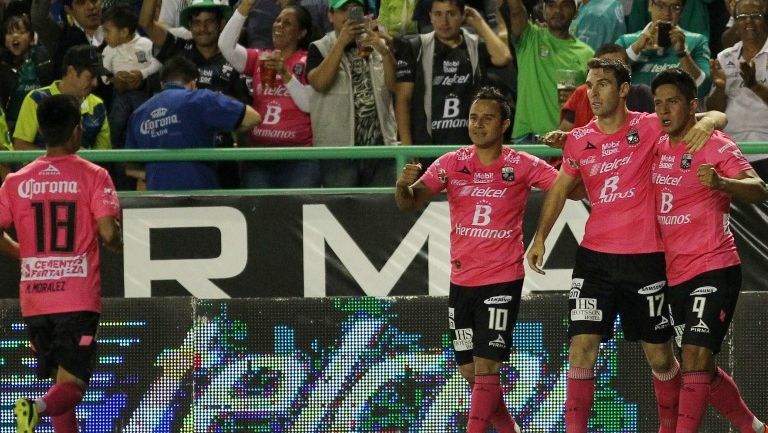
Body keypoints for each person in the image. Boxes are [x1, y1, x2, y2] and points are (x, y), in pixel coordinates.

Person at [526, 58, 726, 433]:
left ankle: (669, 427)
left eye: (602, 84)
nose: (593, 92)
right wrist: (540, 239)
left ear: (621, 90)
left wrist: (712, 121)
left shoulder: (650, 125)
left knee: (661, 357)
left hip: (646, 260)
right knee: (581, 348)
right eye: (589, 84)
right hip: (594, 261)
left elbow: (712, 114)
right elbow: (559, 188)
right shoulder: (580, 139)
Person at [395, 86, 582, 433]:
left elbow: (570, 189)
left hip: (502, 278)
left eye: (488, 118)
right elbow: (409, 202)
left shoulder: (522, 164)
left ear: (505, 124)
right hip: (461, 280)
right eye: (473, 118)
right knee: (471, 372)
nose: (478, 125)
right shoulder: (451, 163)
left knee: (486, 367)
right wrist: (402, 186)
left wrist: (572, 152)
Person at [650, 67, 768, 433]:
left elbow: (759, 186)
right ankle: (752, 427)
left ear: (692, 106)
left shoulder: (713, 143)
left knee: (696, 356)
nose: (665, 110)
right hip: (671, 274)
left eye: (673, 102)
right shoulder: (654, 142)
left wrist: (721, 181)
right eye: (658, 104)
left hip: (713, 267)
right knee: (694, 364)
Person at [3, 94, 122, 433]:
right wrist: (117, 243)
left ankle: (44, 408)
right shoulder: (94, 175)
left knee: (60, 379)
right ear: (75, 131)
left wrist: (22, 253)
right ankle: (35, 407)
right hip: (76, 297)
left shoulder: (16, 181)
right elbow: (107, 231)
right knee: (74, 384)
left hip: (35, 298)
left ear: (42, 131)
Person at [219, 0, 320, 188]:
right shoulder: (260, 58)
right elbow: (225, 45)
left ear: (301, 33)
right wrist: (244, 9)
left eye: (287, 23)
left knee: (296, 214)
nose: (279, 25)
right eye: (277, 20)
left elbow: (308, 105)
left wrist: (285, 74)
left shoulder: (308, 60)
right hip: (260, 154)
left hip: (299, 157)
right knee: (260, 213)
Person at [125, 57, 262, 190]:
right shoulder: (201, 99)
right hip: (200, 193)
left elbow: (131, 169)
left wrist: (162, 173)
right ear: (193, 83)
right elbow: (254, 117)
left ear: (162, 84)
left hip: (159, 197)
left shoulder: (138, 113)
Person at [394, 0, 511, 148]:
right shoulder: (415, 47)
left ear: (463, 15)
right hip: (428, 148)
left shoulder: (475, 45)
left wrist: (479, 22)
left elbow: (503, 57)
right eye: (438, 14)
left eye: (451, 13)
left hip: (469, 147)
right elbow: (403, 99)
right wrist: (407, 147)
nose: (444, 21)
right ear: (430, 16)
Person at [307, 0, 398, 187]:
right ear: (330, 15)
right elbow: (320, 83)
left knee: (383, 211)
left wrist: (385, 51)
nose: (349, 15)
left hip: (381, 148)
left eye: (355, 10)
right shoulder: (319, 47)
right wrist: (341, 42)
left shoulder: (377, 44)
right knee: (343, 211)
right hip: (339, 151)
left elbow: (395, 86)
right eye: (343, 10)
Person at [506, 0, 594, 142]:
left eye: (565, 5)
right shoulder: (530, 37)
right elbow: (516, 10)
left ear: (576, 12)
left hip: (565, 141)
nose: (557, 10)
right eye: (551, 5)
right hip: (528, 139)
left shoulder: (587, 54)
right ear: (544, 10)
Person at [707, 0, 768, 178]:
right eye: (742, 17)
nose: (748, 21)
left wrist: (755, 86)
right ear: (735, 22)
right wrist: (720, 88)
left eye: (756, 16)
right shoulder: (724, 57)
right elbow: (714, 110)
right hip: (730, 152)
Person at [13, 44, 111, 151]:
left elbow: (104, 153)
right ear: (71, 71)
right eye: (90, 77)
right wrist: (64, 158)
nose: (95, 83)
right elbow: (20, 146)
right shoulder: (37, 99)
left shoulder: (98, 106)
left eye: (97, 77)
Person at [615, 0, 712, 99]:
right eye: (661, 5)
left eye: (675, 7)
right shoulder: (626, 41)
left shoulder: (697, 41)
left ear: (682, 12)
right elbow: (607, 77)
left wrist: (682, 53)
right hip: (636, 110)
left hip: (676, 112)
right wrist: (636, 48)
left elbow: (703, 89)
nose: (667, 13)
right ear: (650, 5)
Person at [101, 5, 161, 149]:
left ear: (124, 32)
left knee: (145, 119)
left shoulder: (146, 44)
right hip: (120, 94)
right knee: (116, 120)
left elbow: (157, 63)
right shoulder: (109, 49)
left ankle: (147, 147)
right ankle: (113, 148)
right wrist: (112, 78)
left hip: (142, 93)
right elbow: (102, 70)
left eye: (107, 31)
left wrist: (142, 74)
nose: (104, 36)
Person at [560, 43, 654, 132]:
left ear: (629, 70)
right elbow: (565, 134)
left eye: (617, 68)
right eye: (604, 68)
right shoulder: (581, 93)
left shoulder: (642, 95)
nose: (611, 73)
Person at [0, 13, 55, 134]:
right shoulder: (2, 66)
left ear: (31, 38)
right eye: (9, 33)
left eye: (21, 32)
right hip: (9, 126)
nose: (15, 36)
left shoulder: (43, 60)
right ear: (4, 41)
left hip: (39, 126)